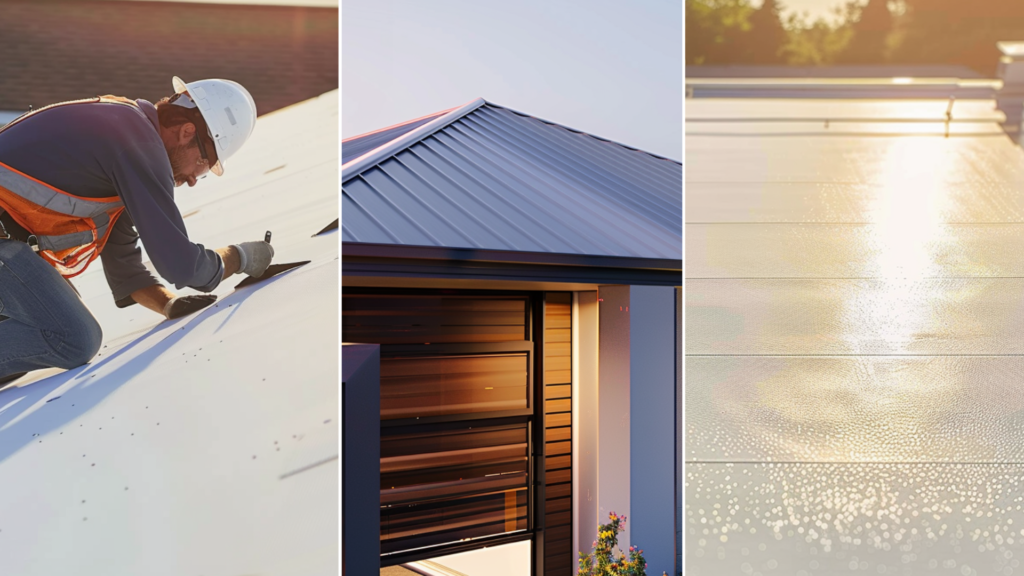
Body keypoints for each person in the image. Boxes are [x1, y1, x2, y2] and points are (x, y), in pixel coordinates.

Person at [0, 76, 276, 384]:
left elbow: (125, 269)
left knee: (34, 331)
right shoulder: (138, 143)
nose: (195, 178)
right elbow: (183, 265)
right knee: (71, 338)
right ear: (186, 133)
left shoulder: (123, 133)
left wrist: (168, 303)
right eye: (203, 162)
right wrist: (239, 258)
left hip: (7, 245)